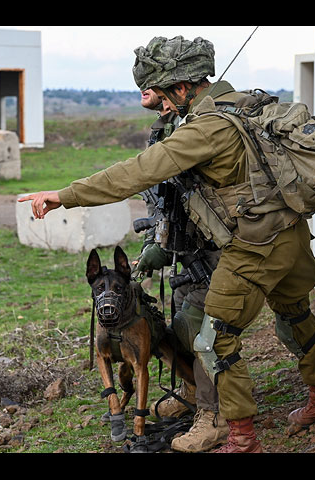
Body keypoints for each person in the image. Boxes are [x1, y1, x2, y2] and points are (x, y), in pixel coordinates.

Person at [19, 35, 315, 453]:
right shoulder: (243, 103)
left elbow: (137, 172)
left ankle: (241, 438)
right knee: (295, 314)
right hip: (289, 232)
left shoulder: (205, 129)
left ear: (180, 87)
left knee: (216, 338)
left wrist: (62, 196)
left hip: (254, 245)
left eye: (160, 95)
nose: (160, 106)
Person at [133, 86, 228, 452]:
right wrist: (158, 243)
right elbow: (168, 201)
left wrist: (159, 246)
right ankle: (192, 389)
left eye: (155, 91)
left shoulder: (204, 128)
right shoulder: (169, 128)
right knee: (180, 319)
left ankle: (213, 414)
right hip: (191, 252)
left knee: (204, 332)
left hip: (220, 251)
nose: (154, 101)